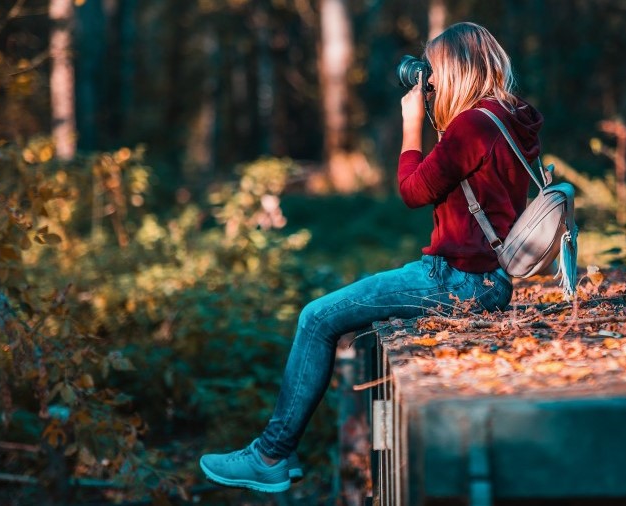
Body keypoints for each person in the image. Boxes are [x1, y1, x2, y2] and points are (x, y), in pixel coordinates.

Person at [198, 21, 543, 493]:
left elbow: (413, 191)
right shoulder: (512, 117)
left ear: (458, 69)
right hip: (492, 280)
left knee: (317, 318)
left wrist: (410, 125)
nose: (432, 81)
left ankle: (271, 455)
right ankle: (278, 452)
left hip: (457, 281)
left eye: (436, 71)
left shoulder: (472, 126)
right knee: (346, 313)